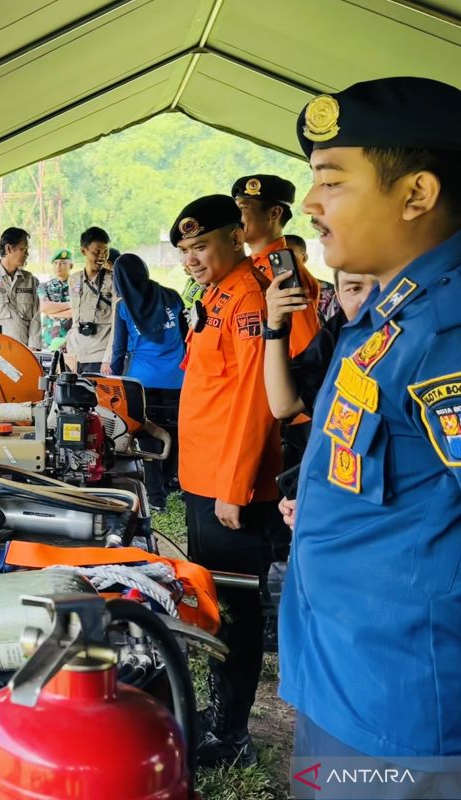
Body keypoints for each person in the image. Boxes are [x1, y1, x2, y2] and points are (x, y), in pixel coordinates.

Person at [278, 78, 461, 793]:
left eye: (332, 181)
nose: (311, 205)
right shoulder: (392, 314)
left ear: (415, 194)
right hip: (346, 678)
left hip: (404, 708)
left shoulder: (445, 336)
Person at [172, 194, 283, 768]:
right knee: (213, 600)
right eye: (185, 250)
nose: (192, 258)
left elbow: (254, 401)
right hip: (203, 478)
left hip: (228, 490)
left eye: (201, 245)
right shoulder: (215, 298)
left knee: (235, 609)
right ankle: (219, 719)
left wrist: (235, 488)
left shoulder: (247, 301)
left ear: (234, 238)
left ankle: (232, 735)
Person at [108, 254, 187, 511]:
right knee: (177, 432)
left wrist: (116, 379)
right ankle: (174, 480)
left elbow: (119, 350)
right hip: (179, 379)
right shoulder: (172, 296)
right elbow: (187, 337)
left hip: (143, 384)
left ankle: (156, 497)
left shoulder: (124, 307)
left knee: (149, 437)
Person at [264, 269, 376, 424]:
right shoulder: (339, 332)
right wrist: (275, 327)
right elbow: (284, 406)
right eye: (354, 288)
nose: (369, 300)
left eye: (382, 286)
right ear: (339, 297)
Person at [232, 174, 322, 356]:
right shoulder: (247, 265)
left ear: (274, 213)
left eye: (243, 207)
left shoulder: (284, 271)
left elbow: (303, 349)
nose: (235, 217)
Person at [0, 226, 41, 348]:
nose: (27, 254)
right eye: (23, 249)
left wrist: (34, 350)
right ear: (9, 248)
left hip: (22, 351)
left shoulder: (30, 281)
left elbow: (35, 319)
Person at [67, 226, 116, 373]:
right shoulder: (74, 279)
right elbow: (75, 317)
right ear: (83, 251)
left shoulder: (113, 280)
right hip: (75, 354)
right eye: (97, 252)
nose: (102, 256)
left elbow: (117, 323)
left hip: (99, 356)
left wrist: (108, 358)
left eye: (105, 252)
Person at [39, 247, 74, 351]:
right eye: (55, 263)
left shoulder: (78, 285)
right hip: (50, 339)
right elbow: (44, 307)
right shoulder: (44, 286)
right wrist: (71, 305)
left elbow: (80, 311)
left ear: (70, 265)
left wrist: (53, 312)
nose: (58, 266)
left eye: (63, 263)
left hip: (72, 339)